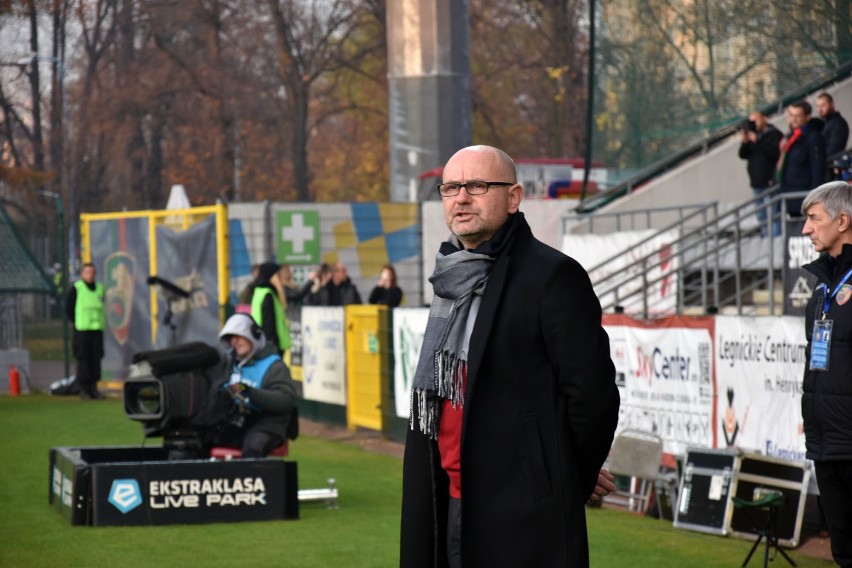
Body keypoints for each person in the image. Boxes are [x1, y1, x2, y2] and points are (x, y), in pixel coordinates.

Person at [400, 145, 620, 567]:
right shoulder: (450, 276)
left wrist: (564, 474)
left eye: (478, 186)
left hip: (521, 515)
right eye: (451, 188)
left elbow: (592, 397)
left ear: (514, 197)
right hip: (446, 498)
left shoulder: (552, 276)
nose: (461, 198)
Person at [800, 180, 852, 567]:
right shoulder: (822, 288)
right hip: (826, 442)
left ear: (843, 220)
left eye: (814, 218)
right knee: (844, 552)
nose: (806, 229)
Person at [211, 313, 298, 458]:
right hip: (237, 423)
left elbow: (286, 400)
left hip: (268, 425)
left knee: (253, 446)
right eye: (231, 338)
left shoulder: (274, 366)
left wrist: (248, 391)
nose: (234, 342)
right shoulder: (229, 365)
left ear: (254, 335)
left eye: (239, 336)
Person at [778, 100, 826, 218]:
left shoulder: (814, 137)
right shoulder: (791, 136)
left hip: (804, 197)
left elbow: (817, 169)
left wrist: (814, 198)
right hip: (790, 196)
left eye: (797, 116)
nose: (792, 119)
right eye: (790, 115)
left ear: (807, 117)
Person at [738, 111, 783, 236]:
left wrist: (758, 140)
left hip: (770, 182)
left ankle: (776, 240)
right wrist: (745, 142)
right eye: (751, 122)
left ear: (764, 119)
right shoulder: (752, 137)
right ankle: (766, 238)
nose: (754, 124)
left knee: (774, 215)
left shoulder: (774, 134)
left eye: (756, 121)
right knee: (761, 216)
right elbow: (742, 155)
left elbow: (775, 153)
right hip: (756, 184)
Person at [65, 263, 105, 400]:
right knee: (83, 359)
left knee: (96, 359)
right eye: (87, 272)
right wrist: (76, 322)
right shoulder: (77, 288)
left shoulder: (100, 288)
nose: (90, 275)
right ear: (82, 274)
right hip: (82, 331)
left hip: (97, 330)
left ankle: (94, 388)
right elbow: (69, 308)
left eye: (92, 272)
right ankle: (83, 388)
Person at [250, 261, 290, 356]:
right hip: (272, 345)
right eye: (278, 274)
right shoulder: (268, 295)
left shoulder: (259, 291)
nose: (281, 277)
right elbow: (269, 324)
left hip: (262, 343)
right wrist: (272, 346)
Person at [816, 92, 849, 158]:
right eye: (818, 106)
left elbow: (833, 151)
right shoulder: (823, 123)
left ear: (831, 104)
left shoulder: (838, 123)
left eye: (823, 106)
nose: (820, 110)